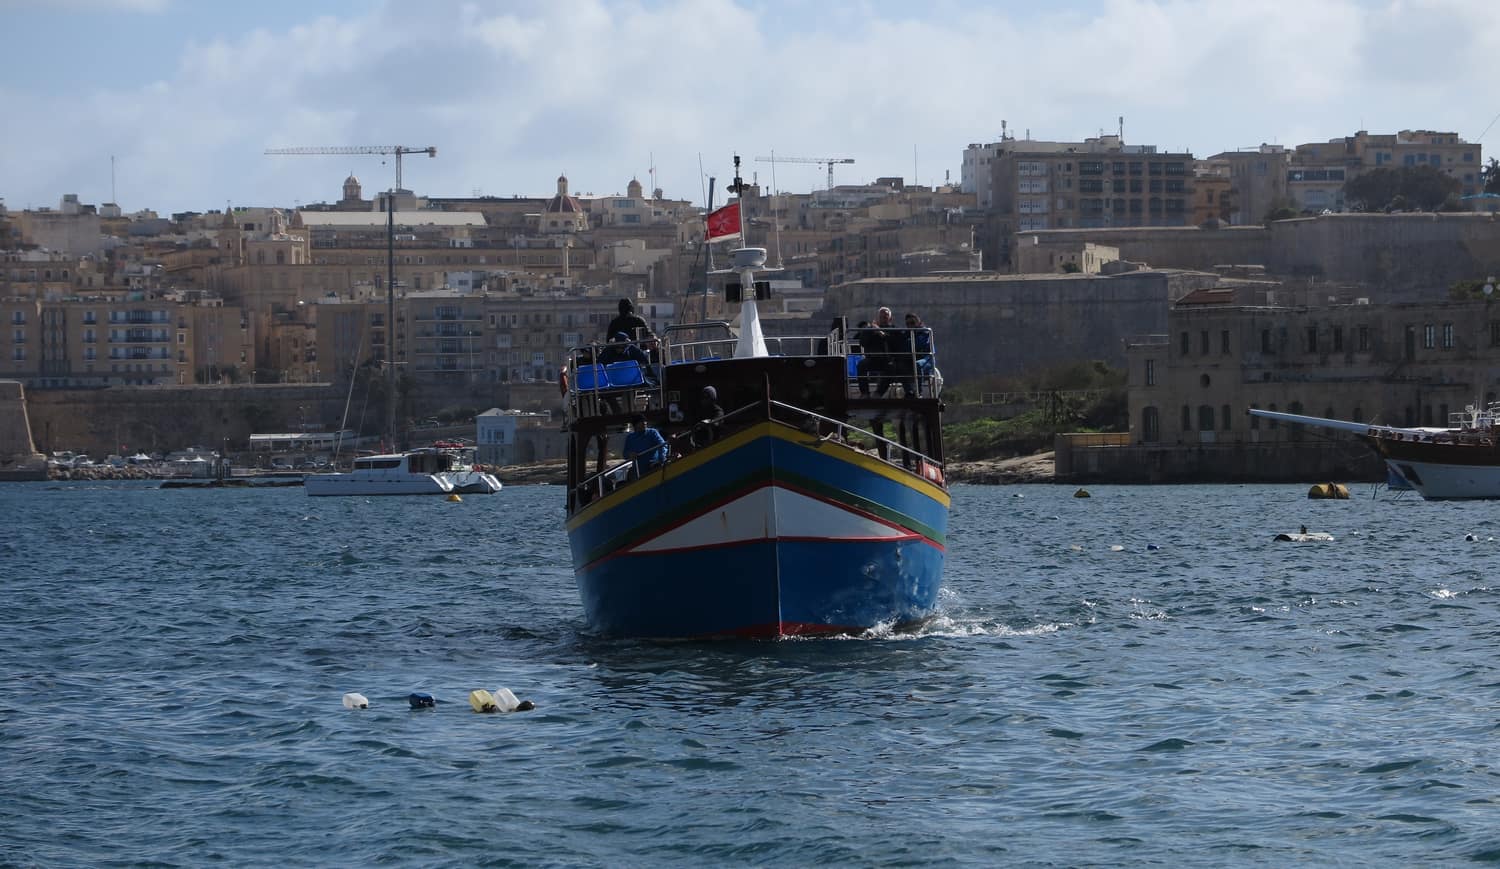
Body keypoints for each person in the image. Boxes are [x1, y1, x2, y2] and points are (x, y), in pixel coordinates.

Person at [855, 307, 896, 397]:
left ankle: (878, 393)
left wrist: (880, 333)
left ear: (890, 318)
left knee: (891, 368)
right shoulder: (870, 330)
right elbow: (863, 342)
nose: (883, 319)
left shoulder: (893, 329)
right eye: (881, 317)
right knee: (861, 365)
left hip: (887, 359)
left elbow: (894, 342)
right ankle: (865, 393)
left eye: (885, 317)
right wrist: (871, 331)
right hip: (873, 359)